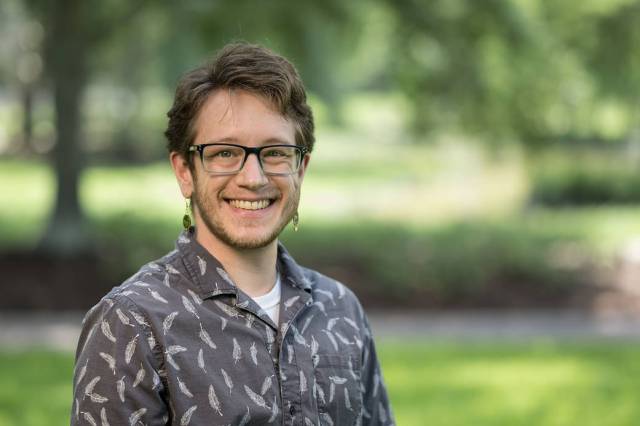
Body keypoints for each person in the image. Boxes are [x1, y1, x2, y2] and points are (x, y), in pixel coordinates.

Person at [71, 42, 394, 426]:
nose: (253, 178)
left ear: (301, 169)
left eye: (275, 152)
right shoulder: (131, 323)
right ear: (185, 171)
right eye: (225, 153)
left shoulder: (341, 311)